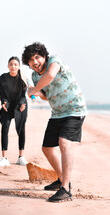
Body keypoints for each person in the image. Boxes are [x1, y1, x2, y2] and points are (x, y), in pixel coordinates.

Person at [22, 42, 87, 202]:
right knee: (47, 148)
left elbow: (50, 75)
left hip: (75, 110)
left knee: (64, 143)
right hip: (57, 113)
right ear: (28, 63)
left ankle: (66, 189)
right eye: (31, 60)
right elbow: (46, 95)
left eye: (37, 57)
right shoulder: (35, 76)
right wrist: (35, 93)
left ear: (44, 56)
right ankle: (61, 179)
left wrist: (35, 89)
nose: (35, 62)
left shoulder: (54, 61)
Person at [0, 56, 28, 167]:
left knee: (21, 130)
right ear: (8, 66)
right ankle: (4, 157)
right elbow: (2, 95)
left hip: (20, 105)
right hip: (8, 106)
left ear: (19, 66)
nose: (13, 66)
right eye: (11, 64)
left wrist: (22, 105)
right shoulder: (2, 79)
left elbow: (24, 95)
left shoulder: (23, 78)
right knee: (5, 127)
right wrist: (4, 102)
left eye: (15, 64)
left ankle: (21, 157)